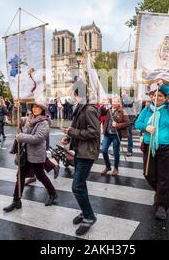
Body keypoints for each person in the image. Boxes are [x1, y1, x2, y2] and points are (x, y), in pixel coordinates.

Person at [134, 81, 169, 220]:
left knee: (165, 178)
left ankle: (162, 205)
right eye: (154, 95)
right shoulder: (147, 109)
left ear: (166, 98)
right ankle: (162, 193)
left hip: (168, 147)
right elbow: (137, 123)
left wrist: (162, 86)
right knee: (148, 174)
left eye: (160, 96)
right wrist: (145, 127)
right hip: (150, 146)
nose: (157, 98)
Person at [3, 98, 58, 211]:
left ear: (42, 109)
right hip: (26, 154)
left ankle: (53, 194)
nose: (34, 109)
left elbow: (37, 138)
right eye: (33, 107)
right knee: (20, 176)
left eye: (37, 107)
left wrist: (21, 137)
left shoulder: (44, 123)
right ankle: (16, 200)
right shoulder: (29, 119)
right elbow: (16, 121)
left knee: (40, 176)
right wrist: (16, 108)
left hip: (37, 154)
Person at [61, 81, 100, 236]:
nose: (74, 97)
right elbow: (77, 129)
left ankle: (90, 216)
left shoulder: (89, 109)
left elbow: (94, 132)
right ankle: (85, 211)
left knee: (76, 186)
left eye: (75, 94)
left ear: (78, 94)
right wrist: (68, 137)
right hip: (80, 150)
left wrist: (73, 133)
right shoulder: (81, 108)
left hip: (87, 152)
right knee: (81, 185)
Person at [99, 96, 130, 176]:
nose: (113, 103)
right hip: (107, 133)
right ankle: (108, 166)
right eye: (112, 101)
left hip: (116, 134)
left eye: (115, 101)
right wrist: (104, 105)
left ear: (119, 102)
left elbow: (127, 123)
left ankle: (116, 168)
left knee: (116, 151)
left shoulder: (123, 111)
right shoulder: (108, 109)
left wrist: (117, 125)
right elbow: (101, 112)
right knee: (104, 150)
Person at [122, 91, 136, 156]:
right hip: (122, 119)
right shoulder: (122, 98)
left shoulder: (130, 99)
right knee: (117, 135)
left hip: (129, 119)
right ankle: (115, 150)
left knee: (129, 135)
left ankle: (129, 150)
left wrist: (124, 95)